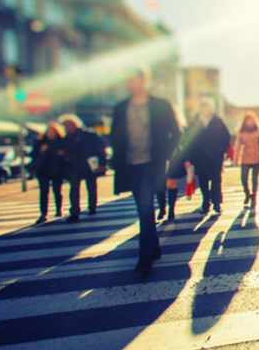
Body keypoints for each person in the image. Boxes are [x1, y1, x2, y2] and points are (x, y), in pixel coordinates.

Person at [109, 66, 181, 276]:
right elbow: (114, 136)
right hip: (130, 165)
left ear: (143, 80)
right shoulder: (121, 108)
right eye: (128, 80)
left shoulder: (160, 105)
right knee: (144, 208)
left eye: (134, 80)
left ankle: (144, 259)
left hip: (152, 163)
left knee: (145, 208)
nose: (130, 84)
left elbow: (176, 133)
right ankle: (154, 247)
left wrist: (165, 155)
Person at [59, 114, 106, 223]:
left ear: (75, 124)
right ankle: (75, 211)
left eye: (68, 125)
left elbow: (100, 148)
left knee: (91, 187)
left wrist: (102, 163)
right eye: (65, 126)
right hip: (74, 166)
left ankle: (92, 207)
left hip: (89, 163)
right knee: (74, 189)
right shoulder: (66, 138)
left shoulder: (89, 134)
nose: (67, 128)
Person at [189, 100, 231, 215]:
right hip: (200, 157)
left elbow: (226, 137)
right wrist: (192, 156)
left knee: (216, 180)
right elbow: (190, 140)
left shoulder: (217, 121)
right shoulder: (196, 122)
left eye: (208, 108)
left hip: (215, 157)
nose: (206, 110)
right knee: (203, 181)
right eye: (204, 108)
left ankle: (217, 203)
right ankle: (206, 202)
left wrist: (221, 150)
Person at [30, 122, 69, 224]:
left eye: (53, 132)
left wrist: (61, 154)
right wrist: (41, 150)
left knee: (57, 191)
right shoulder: (40, 142)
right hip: (43, 170)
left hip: (57, 170)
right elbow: (33, 154)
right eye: (49, 131)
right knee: (44, 192)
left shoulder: (61, 142)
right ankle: (43, 214)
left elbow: (66, 155)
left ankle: (58, 210)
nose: (50, 133)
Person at [234, 112, 259, 210]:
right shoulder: (241, 132)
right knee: (243, 178)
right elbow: (238, 147)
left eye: (251, 120)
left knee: (255, 179)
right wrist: (236, 160)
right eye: (248, 120)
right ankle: (247, 194)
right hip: (245, 158)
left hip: (257, 158)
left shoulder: (258, 132)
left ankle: (254, 197)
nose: (250, 122)